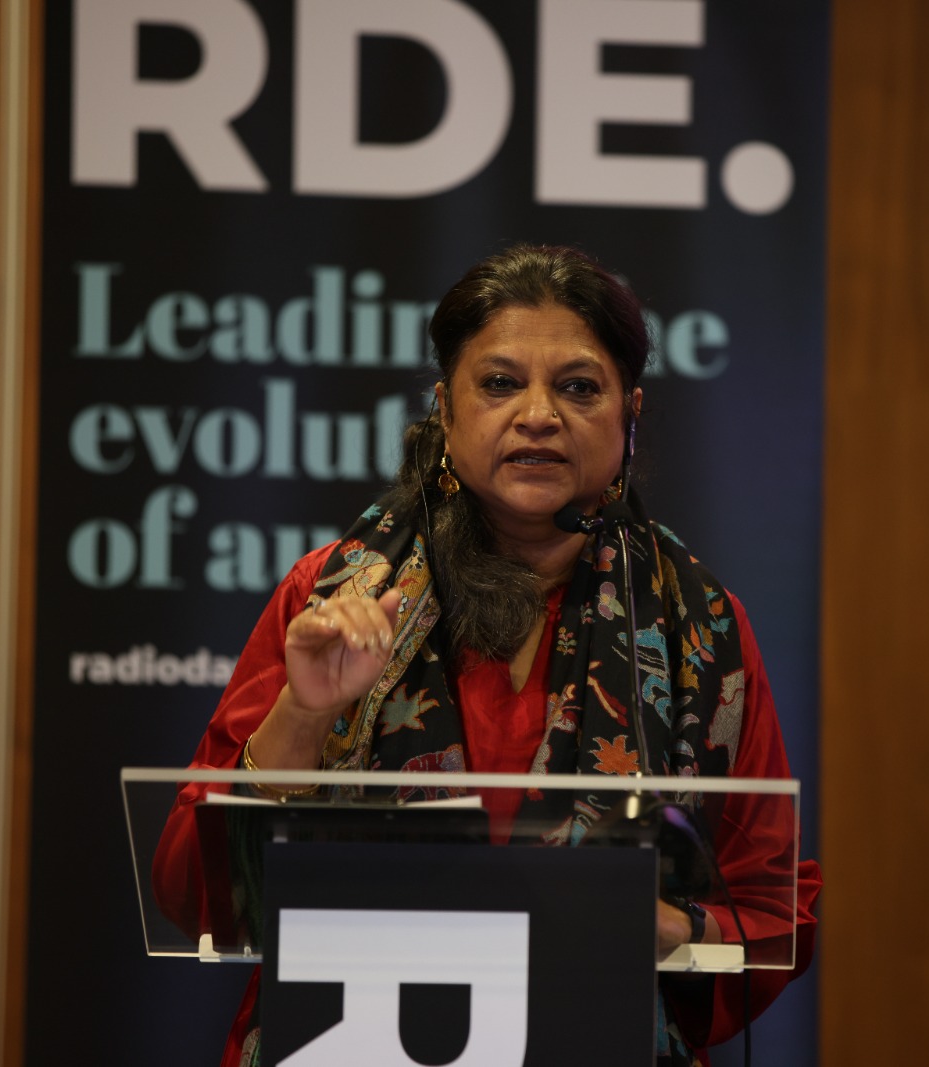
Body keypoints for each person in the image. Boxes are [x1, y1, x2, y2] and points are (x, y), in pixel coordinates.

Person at [153, 244, 821, 1066]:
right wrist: (305, 710)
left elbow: (771, 906)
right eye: (500, 383)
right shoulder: (330, 598)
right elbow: (194, 891)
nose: (538, 414)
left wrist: (669, 927)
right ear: (445, 408)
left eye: (580, 387)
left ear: (631, 412)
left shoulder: (699, 628)